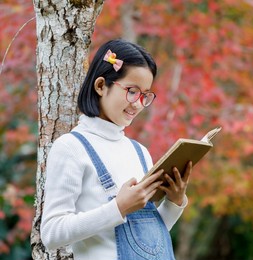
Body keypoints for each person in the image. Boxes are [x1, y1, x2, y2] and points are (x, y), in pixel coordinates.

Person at [40, 39, 192, 260]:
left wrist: (174, 202)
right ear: (101, 86)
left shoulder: (140, 152)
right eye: (132, 91)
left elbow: (147, 242)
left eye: (144, 95)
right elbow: (52, 233)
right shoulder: (71, 148)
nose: (138, 103)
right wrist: (118, 208)